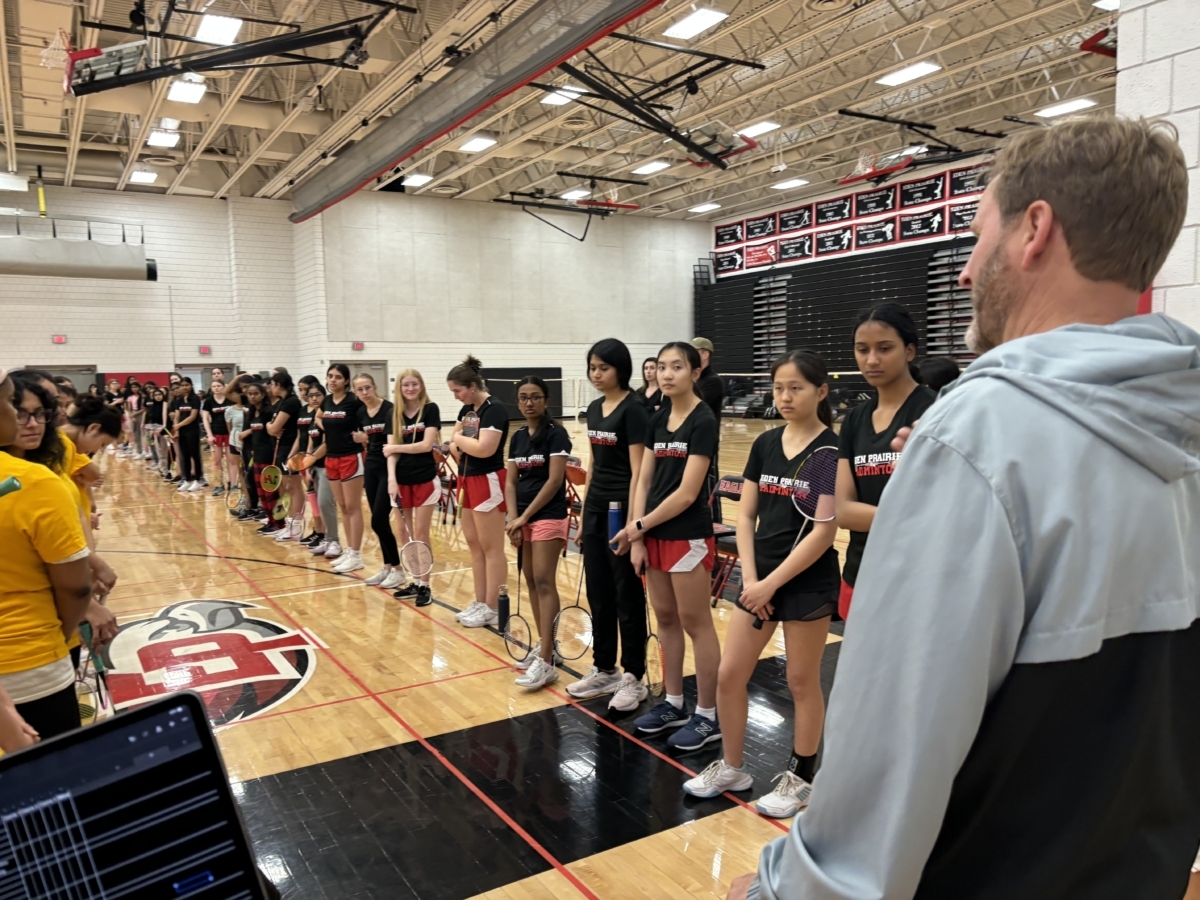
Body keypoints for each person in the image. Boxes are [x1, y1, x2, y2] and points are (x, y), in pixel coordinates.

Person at [727, 116, 1199, 900]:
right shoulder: (1181, 427)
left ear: (1034, 231)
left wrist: (785, 891)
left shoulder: (979, 436)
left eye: (979, 236)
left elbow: (889, 756)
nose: (966, 271)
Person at [683, 350, 839, 818]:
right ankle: (732, 767)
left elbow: (823, 532)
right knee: (730, 674)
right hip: (759, 581)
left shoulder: (831, 451)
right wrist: (752, 581)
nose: (785, 397)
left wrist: (771, 584)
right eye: (778, 388)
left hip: (806, 581)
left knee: (801, 681)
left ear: (821, 391)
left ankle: (801, 779)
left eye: (796, 388)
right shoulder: (766, 443)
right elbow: (746, 515)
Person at [617, 341, 721, 750]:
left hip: (687, 535)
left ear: (695, 373)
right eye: (662, 366)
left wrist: (637, 526)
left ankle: (708, 715)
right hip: (654, 535)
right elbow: (643, 479)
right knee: (665, 619)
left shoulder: (703, 420)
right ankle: (674, 703)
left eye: (677, 366)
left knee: (696, 623)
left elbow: (687, 493)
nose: (667, 374)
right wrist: (639, 536)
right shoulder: (657, 418)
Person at [0, 370, 95, 739]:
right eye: (12, 404)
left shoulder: (47, 465)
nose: (27, 420)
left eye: (41, 412)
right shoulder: (34, 482)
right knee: (56, 769)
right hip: (31, 657)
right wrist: (61, 635)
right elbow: (76, 587)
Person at [834, 303, 936, 620]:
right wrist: (906, 518)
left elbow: (939, 513)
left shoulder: (937, 411)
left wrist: (876, 516)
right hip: (861, 572)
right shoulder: (854, 420)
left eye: (885, 348)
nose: (872, 360)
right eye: (862, 349)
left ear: (909, 351)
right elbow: (843, 511)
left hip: (922, 577)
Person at [566, 339, 650, 712]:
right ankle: (605, 668)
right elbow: (594, 465)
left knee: (625, 595)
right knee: (598, 592)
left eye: (604, 367)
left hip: (622, 511)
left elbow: (638, 472)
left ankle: (634, 676)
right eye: (592, 368)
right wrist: (585, 515)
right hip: (597, 509)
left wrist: (633, 525)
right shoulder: (595, 409)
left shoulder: (635, 409)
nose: (596, 374)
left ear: (621, 369)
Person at [505, 376, 572, 690]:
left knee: (544, 581)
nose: (528, 402)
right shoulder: (517, 437)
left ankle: (546, 661)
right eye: (523, 397)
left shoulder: (557, 433)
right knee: (530, 579)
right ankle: (547, 645)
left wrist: (525, 517)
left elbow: (554, 481)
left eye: (535, 397)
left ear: (546, 400)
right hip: (522, 519)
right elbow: (510, 481)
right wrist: (513, 519)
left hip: (548, 515)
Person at [446, 356, 509, 629]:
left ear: (472, 386)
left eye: (457, 391)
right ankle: (481, 601)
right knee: (474, 544)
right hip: (465, 478)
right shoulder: (468, 410)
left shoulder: (494, 410)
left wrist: (457, 439)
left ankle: (494, 607)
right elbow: (456, 446)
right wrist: (458, 442)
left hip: (487, 479)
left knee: (491, 547)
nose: (456, 396)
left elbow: (484, 449)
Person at [385, 369, 440, 606]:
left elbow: (426, 445)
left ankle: (425, 586)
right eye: (406, 385)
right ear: (399, 388)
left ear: (421, 385)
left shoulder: (430, 409)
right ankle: (415, 581)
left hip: (425, 478)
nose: (410, 388)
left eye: (414, 384)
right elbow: (390, 454)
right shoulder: (393, 414)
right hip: (400, 481)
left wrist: (396, 447)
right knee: (403, 533)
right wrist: (391, 479)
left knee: (420, 533)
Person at [352, 374, 401, 586]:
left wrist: (366, 437)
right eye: (360, 389)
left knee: (378, 521)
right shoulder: (361, 412)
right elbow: (364, 438)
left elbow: (395, 440)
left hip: (388, 468)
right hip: (370, 468)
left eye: (367, 388)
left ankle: (398, 570)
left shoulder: (389, 409)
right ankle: (387, 567)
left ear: (375, 387)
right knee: (379, 522)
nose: (365, 393)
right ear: (355, 392)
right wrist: (363, 439)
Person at [317, 364, 365, 571]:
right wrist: (328, 428)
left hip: (350, 456)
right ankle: (349, 551)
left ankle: (356, 555)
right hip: (331, 458)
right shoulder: (327, 401)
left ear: (346, 381)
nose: (332, 380)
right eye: (330, 376)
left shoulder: (354, 401)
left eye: (337, 377)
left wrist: (364, 436)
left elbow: (370, 418)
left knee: (353, 507)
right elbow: (318, 417)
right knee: (343, 506)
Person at [267, 373, 306, 542]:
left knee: (294, 488)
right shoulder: (282, 402)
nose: (270, 388)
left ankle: (296, 527)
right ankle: (289, 524)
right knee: (286, 488)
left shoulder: (291, 402)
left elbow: (274, 428)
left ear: (279, 385)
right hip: (281, 449)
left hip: (291, 449)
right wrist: (270, 427)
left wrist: (268, 426)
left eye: (272, 384)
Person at [302, 383, 340, 557]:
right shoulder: (313, 418)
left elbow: (326, 443)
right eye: (311, 396)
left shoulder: (328, 418)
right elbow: (310, 443)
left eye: (318, 395)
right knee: (320, 504)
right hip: (315, 466)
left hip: (327, 465)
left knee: (326, 503)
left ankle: (334, 541)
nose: (314, 398)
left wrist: (311, 459)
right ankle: (327, 539)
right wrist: (307, 466)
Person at [692, 337, 725, 524]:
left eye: (694, 352)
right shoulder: (694, 379)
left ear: (705, 354)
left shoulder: (713, 381)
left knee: (711, 488)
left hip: (707, 443)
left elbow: (695, 405)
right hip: (690, 441)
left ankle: (716, 525)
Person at [241, 380, 280, 535]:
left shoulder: (269, 412)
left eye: (256, 394)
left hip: (268, 456)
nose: (252, 397)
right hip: (256, 455)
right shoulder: (252, 413)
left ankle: (278, 523)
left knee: (270, 492)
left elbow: (274, 433)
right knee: (262, 493)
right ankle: (270, 521)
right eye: (250, 394)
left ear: (263, 395)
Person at [169, 377, 205, 492]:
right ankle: (187, 480)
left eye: (187, 385)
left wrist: (179, 425)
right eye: (182, 385)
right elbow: (177, 415)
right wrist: (177, 430)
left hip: (192, 431)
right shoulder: (179, 400)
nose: (184, 387)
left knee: (195, 455)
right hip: (182, 431)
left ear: (191, 386)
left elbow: (192, 416)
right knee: (185, 456)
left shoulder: (195, 399)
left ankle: (198, 480)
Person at [202, 380, 232, 495]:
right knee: (217, 460)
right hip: (216, 434)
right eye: (214, 386)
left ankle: (232, 483)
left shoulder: (229, 399)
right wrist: (209, 435)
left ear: (224, 386)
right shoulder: (209, 401)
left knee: (231, 460)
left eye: (219, 386)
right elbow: (205, 419)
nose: (216, 388)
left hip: (229, 433)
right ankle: (219, 485)